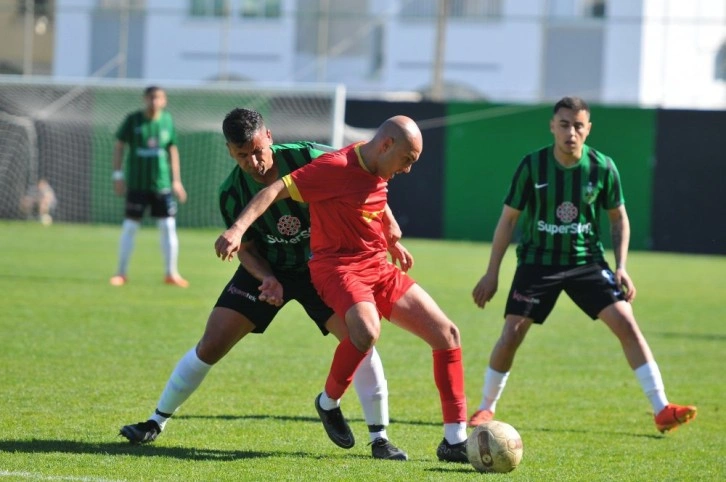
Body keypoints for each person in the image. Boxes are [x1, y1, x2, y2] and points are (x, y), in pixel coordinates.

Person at [120, 108, 408, 461]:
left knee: (359, 338)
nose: (254, 161)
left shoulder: (308, 156)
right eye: (242, 155)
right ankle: (155, 421)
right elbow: (248, 251)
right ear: (229, 151)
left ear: (269, 136)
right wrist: (267, 278)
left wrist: (389, 227)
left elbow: (366, 178)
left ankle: (380, 438)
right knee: (211, 344)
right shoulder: (231, 193)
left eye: (258, 150)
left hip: (325, 267)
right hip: (270, 268)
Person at [214, 115, 470, 463]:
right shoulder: (333, 166)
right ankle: (329, 401)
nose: (408, 170)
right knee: (366, 330)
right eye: (407, 161)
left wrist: (391, 234)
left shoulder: (378, 167)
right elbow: (273, 189)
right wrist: (238, 230)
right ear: (386, 145)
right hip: (337, 268)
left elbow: (370, 202)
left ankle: (454, 441)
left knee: (448, 333)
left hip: (377, 265)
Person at [467, 96, 697, 434]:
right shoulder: (532, 166)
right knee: (512, 333)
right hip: (538, 262)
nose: (570, 132)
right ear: (552, 127)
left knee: (627, 324)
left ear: (588, 129)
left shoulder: (603, 167)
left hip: (585, 261)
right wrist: (492, 272)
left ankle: (661, 408)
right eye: (564, 124)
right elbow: (508, 220)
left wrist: (621, 266)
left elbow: (619, 220)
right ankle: (486, 408)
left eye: (578, 125)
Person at [109, 85, 188, 287]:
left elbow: (172, 150)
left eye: (158, 98)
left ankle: (171, 273)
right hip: (137, 184)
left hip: (161, 185)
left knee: (168, 227)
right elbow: (119, 146)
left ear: (164, 101)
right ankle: (121, 273)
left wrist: (176, 181)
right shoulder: (133, 120)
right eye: (151, 97)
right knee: (130, 227)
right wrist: (118, 175)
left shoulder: (167, 120)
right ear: (144, 99)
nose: (154, 101)